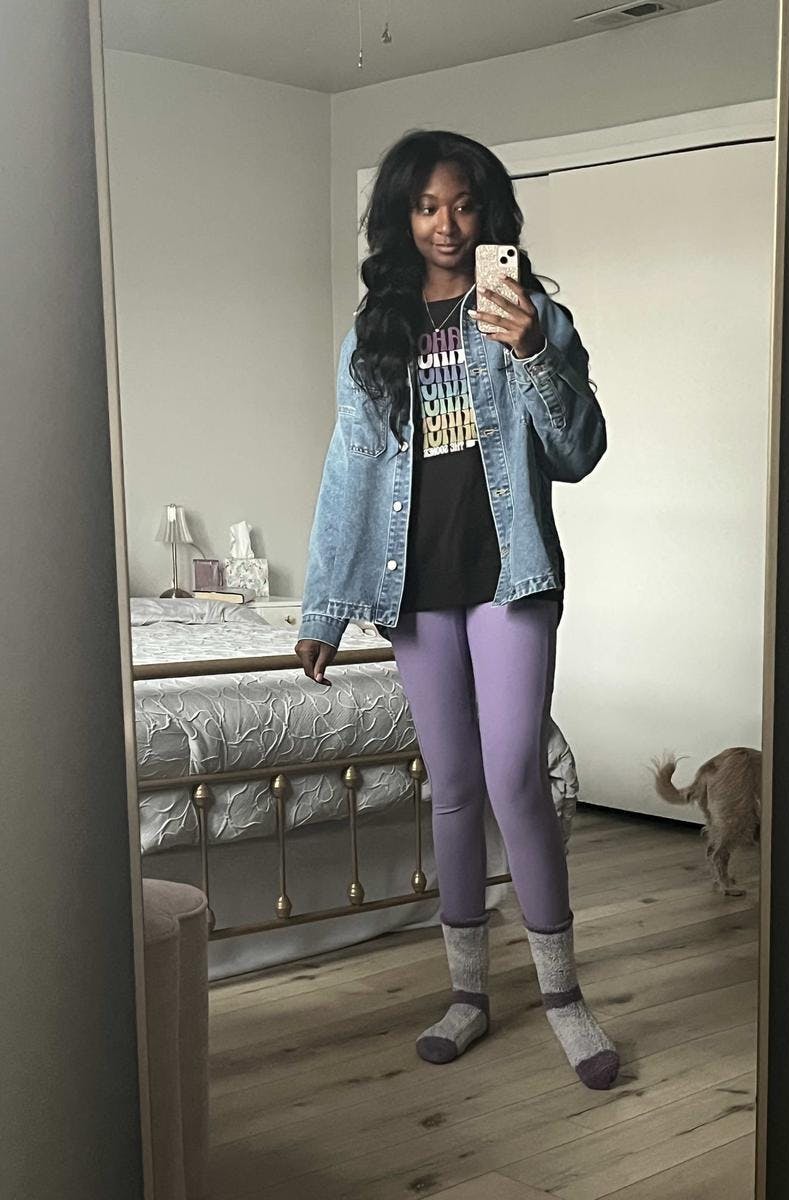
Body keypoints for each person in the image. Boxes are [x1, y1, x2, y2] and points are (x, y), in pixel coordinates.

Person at [295, 129, 617, 1090]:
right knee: (453, 786)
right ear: (403, 215)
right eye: (428, 206)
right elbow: (351, 469)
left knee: (516, 772)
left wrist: (534, 351)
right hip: (414, 588)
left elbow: (579, 451)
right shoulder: (372, 335)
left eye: (465, 205)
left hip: (510, 574)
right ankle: (469, 994)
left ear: (490, 214)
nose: (447, 225)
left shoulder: (532, 315)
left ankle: (563, 996)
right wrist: (324, 605)